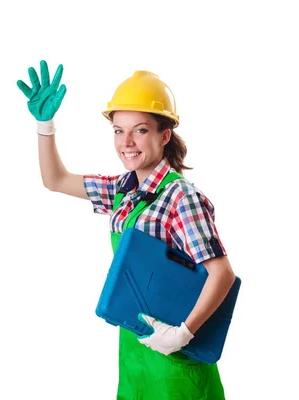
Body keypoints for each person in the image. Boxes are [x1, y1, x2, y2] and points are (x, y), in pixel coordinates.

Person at [17, 61, 237, 399]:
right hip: (135, 358)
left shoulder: (182, 197)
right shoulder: (123, 191)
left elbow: (220, 273)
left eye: (140, 130)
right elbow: (55, 180)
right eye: (119, 130)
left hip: (178, 368)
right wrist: (44, 125)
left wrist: (183, 333)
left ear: (165, 135)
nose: (127, 142)